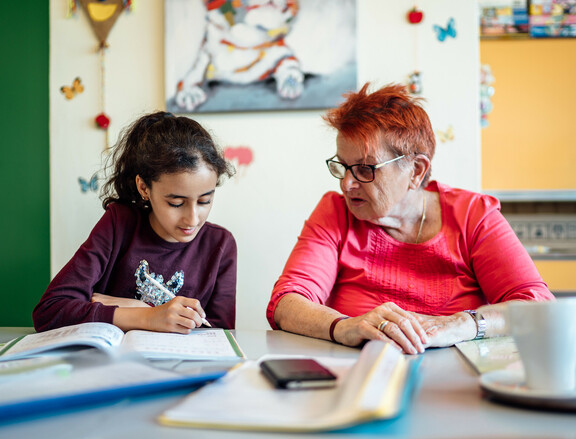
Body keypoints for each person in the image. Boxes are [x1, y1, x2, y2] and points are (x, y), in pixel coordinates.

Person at [266, 83, 554, 355]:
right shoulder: (336, 212)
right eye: (343, 166)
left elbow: (537, 306)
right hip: (358, 374)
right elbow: (286, 302)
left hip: (454, 382)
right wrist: (345, 326)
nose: (347, 184)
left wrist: (461, 324)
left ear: (416, 170)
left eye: (365, 169)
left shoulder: (472, 215)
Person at [34, 112, 237, 333]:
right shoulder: (118, 224)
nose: (192, 219)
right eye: (176, 203)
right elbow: (50, 311)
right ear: (143, 188)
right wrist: (147, 315)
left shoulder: (220, 245)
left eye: (205, 201)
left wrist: (122, 305)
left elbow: (220, 337)